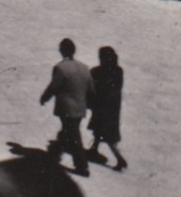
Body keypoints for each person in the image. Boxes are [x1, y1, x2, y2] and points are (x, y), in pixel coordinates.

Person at [40, 37, 93, 175]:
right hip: (80, 107)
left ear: (62, 51)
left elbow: (54, 87)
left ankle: (82, 166)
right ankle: (54, 154)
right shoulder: (85, 67)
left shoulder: (60, 68)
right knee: (69, 131)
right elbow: (91, 89)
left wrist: (44, 97)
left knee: (73, 135)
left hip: (66, 108)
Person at [87, 46, 126, 171]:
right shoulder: (118, 71)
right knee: (99, 131)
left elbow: (99, 89)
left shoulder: (99, 72)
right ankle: (94, 149)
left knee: (107, 136)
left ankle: (120, 159)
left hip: (105, 109)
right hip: (111, 109)